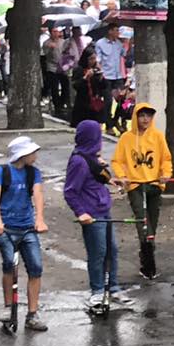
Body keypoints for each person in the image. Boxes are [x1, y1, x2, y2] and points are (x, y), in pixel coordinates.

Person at [0, 136, 49, 334]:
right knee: (9, 265)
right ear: (22, 154)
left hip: (27, 228)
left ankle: (32, 313)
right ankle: (8, 308)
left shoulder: (34, 173)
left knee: (36, 267)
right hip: (6, 228)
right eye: (32, 152)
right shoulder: (2, 172)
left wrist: (39, 219)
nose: (35, 156)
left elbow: (38, 196)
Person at [65, 120, 125, 316]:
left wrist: (110, 179)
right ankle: (97, 290)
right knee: (97, 252)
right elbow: (71, 191)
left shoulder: (91, 158)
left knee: (112, 250)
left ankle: (113, 287)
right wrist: (81, 212)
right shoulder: (79, 162)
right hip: (92, 213)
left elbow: (97, 176)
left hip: (103, 208)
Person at [112, 102, 174, 281]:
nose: (145, 119)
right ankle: (148, 259)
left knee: (152, 220)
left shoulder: (157, 137)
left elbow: (166, 159)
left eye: (148, 116)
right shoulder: (126, 138)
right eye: (141, 115)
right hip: (135, 185)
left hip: (154, 184)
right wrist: (123, 176)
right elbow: (117, 161)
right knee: (142, 220)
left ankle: (147, 250)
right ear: (135, 117)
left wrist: (165, 174)